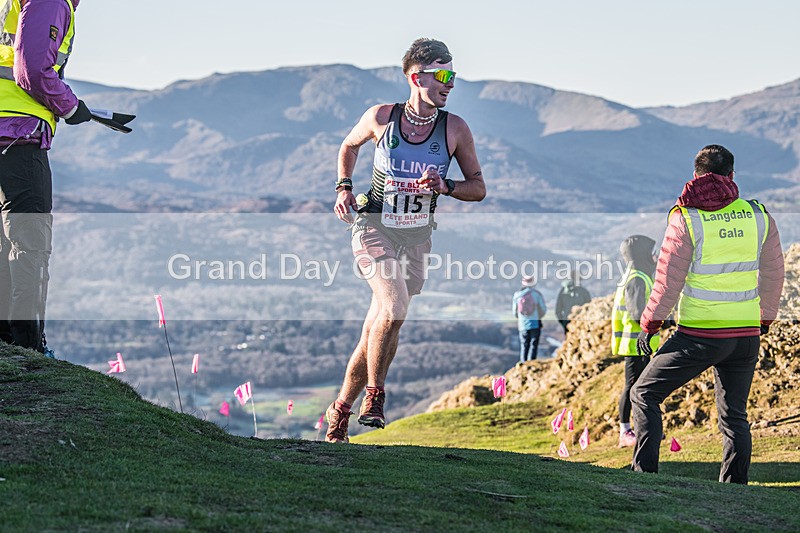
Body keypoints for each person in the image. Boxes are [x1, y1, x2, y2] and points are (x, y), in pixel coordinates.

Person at [327, 38, 486, 443]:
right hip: (373, 226)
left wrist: (446, 186)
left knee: (377, 327)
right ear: (417, 78)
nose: (451, 83)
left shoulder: (455, 129)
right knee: (394, 308)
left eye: (454, 75)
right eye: (443, 74)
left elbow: (478, 187)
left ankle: (339, 412)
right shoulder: (382, 117)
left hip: (416, 238)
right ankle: (375, 397)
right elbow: (348, 146)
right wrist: (344, 187)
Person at [631, 145, 784, 484]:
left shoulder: (686, 217)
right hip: (746, 334)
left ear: (696, 175)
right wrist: (765, 318)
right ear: (732, 175)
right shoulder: (758, 214)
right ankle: (735, 487)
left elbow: (668, 280)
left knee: (643, 394)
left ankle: (644, 477)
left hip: (700, 335)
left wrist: (650, 324)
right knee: (734, 417)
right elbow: (774, 272)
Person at [0, 0, 91, 353]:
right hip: (17, 133)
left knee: (5, 246)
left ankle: (8, 345)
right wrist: (69, 106)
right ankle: (28, 349)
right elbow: (32, 71)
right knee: (30, 247)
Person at [611, 235, 660, 448]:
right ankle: (625, 432)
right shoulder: (637, 279)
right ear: (642, 255)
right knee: (632, 386)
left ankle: (642, 429)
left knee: (639, 387)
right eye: (651, 252)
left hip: (639, 343)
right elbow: (637, 314)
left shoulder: (637, 275)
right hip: (635, 344)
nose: (655, 256)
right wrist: (661, 323)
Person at [512, 275, 546, 363]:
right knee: (533, 345)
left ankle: (523, 363)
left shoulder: (517, 295)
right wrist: (538, 317)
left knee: (524, 345)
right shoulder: (537, 294)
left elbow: (515, 312)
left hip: (522, 325)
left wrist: (521, 318)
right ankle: (531, 363)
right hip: (535, 324)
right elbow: (543, 309)